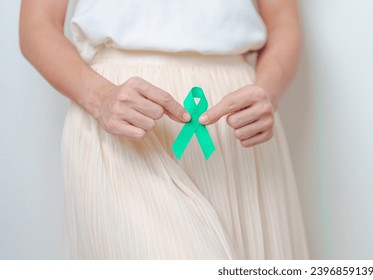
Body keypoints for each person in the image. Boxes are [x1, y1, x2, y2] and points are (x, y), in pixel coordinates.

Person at [19, 0, 308, 259]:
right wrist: (100, 97)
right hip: (125, 126)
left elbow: (283, 23)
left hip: (237, 127)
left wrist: (267, 92)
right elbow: (37, 26)